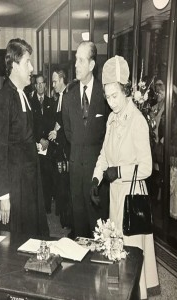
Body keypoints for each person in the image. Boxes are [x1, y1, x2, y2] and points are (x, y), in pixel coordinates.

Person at [91, 55, 160, 299]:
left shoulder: (138, 121)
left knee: (131, 258)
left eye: (115, 96)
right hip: (115, 195)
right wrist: (96, 178)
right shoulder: (112, 119)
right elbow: (104, 154)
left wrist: (118, 172)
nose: (111, 103)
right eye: (107, 97)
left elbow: (147, 167)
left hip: (132, 196)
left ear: (126, 91)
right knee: (116, 251)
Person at [0, 38, 49, 236]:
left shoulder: (23, 94)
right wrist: (4, 195)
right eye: (27, 62)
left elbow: (22, 136)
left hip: (30, 182)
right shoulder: (4, 98)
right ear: (14, 66)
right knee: (19, 243)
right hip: (15, 188)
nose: (32, 68)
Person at [62, 41, 110, 238]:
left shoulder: (105, 94)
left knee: (98, 224)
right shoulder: (68, 95)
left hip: (96, 172)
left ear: (91, 65)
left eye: (81, 60)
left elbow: (107, 134)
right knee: (79, 223)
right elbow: (69, 132)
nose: (76, 65)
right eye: (75, 60)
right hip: (75, 170)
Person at [29, 74, 56, 213]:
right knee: (36, 177)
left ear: (45, 85)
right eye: (37, 84)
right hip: (35, 144)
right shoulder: (29, 101)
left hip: (48, 146)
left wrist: (48, 141)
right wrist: (39, 139)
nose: (40, 86)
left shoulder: (51, 102)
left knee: (47, 177)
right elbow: (29, 125)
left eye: (42, 83)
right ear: (35, 86)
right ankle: (37, 208)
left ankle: (46, 207)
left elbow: (53, 123)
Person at [49, 67, 72, 227]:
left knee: (66, 186)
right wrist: (55, 130)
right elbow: (59, 120)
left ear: (62, 80)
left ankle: (68, 221)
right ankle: (64, 219)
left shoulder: (69, 97)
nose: (53, 84)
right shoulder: (59, 98)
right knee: (61, 185)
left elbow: (70, 125)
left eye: (55, 81)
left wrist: (58, 133)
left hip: (67, 150)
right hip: (59, 149)